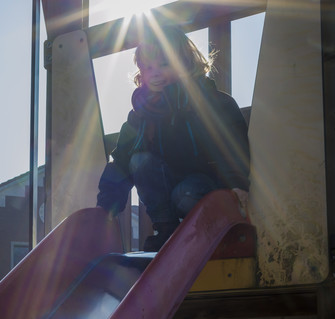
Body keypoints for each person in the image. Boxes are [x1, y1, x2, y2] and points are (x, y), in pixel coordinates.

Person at [96, 25, 250, 252]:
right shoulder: (141, 115)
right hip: (166, 190)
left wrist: (236, 184)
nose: (156, 73)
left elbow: (231, 143)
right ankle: (166, 229)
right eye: (148, 68)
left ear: (185, 63)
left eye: (164, 64)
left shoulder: (211, 103)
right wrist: (106, 207)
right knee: (139, 160)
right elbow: (121, 161)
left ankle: (206, 231)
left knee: (185, 192)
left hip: (203, 187)